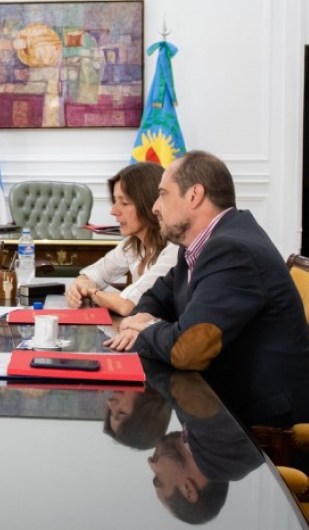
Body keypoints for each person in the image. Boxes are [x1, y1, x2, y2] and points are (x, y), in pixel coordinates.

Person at [105, 150, 309, 428]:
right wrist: (139, 320)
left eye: (163, 194)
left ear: (194, 195)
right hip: (217, 403)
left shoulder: (232, 250)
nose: (154, 207)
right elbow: (156, 296)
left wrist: (147, 328)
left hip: (260, 427)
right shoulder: (198, 245)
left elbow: (188, 350)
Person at [144, 362, 263, 525]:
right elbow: (164, 371)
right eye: (158, 479)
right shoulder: (224, 451)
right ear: (189, 490)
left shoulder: (203, 442)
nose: (150, 463)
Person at [66, 162, 178, 315]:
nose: (113, 211)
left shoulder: (174, 249)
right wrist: (80, 287)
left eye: (124, 203)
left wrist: (91, 292)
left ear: (150, 204)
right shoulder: (132, 244)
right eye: (115, 201)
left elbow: (127, 305)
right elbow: (92, 274)